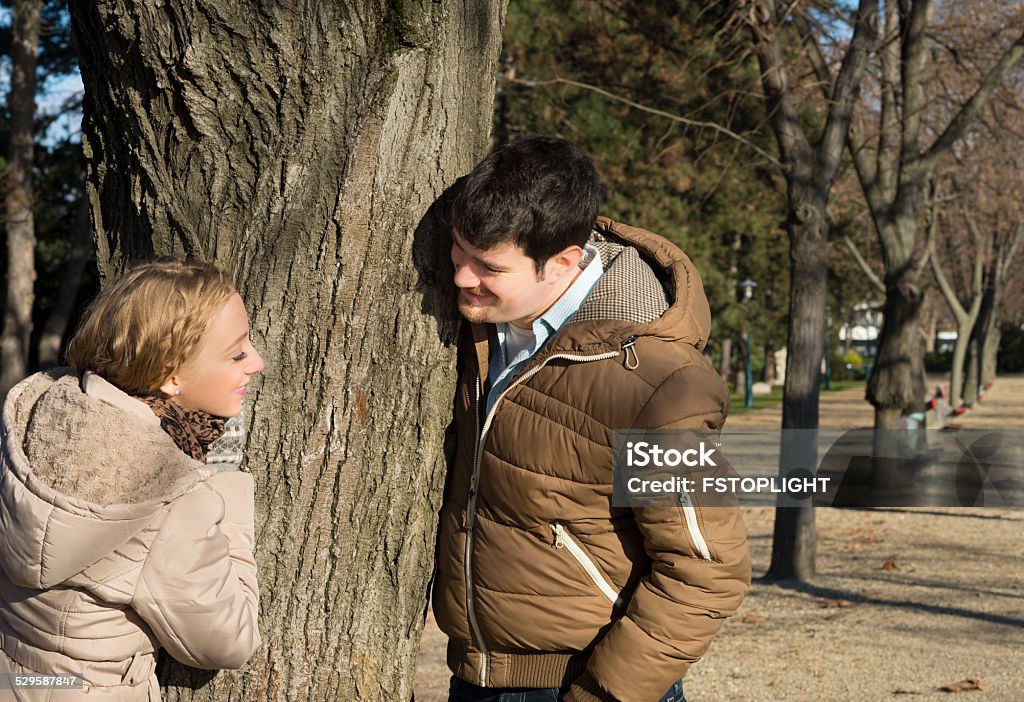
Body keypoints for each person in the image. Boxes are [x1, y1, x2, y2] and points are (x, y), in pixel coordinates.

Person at [434, 136, 751, 702]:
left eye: (487, 266)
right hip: (476, 678)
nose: (461, 278)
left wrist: (600, 695)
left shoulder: (662, 386)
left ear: (564, 263)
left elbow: (706, 569)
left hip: (582, 683)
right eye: (458, 253)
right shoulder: (484, 319)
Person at [0, 259, 264, 700]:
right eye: (237, 352)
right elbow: (231, 641)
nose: (256, 362)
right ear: (169, 376)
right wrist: (222, 481)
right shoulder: (171, 496)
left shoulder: (31, 420)